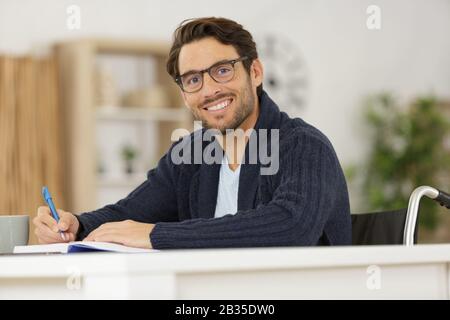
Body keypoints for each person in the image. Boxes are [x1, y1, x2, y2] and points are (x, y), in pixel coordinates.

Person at [33, 17, 351, 249]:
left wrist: (156, 235)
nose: (209, 89)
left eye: (222, 70)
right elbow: (130, 213)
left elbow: (290, 227)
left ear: (255, 72)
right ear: (184, 94)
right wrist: (77, 225)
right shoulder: (191, 154)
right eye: (193, 79)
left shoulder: (303, 146)